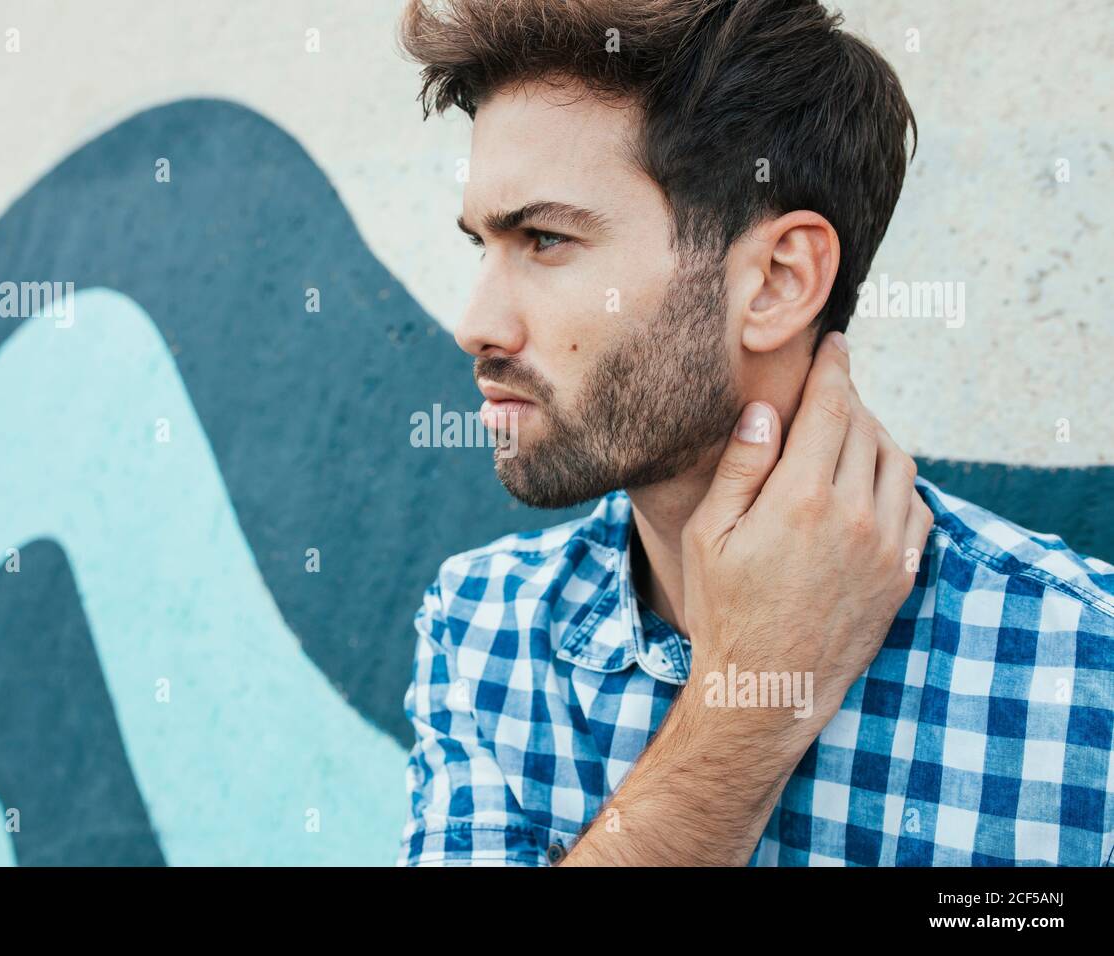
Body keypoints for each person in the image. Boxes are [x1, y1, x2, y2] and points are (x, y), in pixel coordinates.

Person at [394, 0, 1114, 866]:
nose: (476, 325)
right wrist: (744, 710)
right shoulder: (485, 631)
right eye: (484, 245)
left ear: (776, 281)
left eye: (545, 239)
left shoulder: (1078, 670)